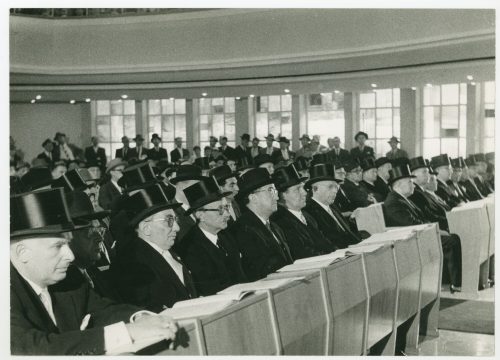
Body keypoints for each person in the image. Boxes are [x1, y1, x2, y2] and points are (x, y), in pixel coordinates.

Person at [10, 188, 179, 355]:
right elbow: (31, 349)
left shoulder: (69, 278)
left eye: (68, 244)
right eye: (58, 246)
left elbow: (103, 310)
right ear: (22, 252)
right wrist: (127, 332)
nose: (69, 256)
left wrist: (140, 317)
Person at [114, 183, 197, 312]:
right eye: (169, 220)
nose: (177, 228)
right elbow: (144, 309)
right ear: (146, 228)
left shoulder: (171, 252)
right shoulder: (131, 262)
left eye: (176, 220)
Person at [382, 164, 462, 293]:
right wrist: (436, 230)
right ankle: (455, 283)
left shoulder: (403, 199)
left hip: (419, 234)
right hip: (409, 240)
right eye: (409, 182)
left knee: (453, 237)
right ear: (398, 184)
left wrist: (435, 229)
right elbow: (411, 224)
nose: (413, 185)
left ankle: (451, 280)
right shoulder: (393, 202)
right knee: (452, 241)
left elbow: (421, 219)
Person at [180, 177, 247, 296]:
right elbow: (209, 289)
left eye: (226, 208)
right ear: (201, 215)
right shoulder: (189, 247)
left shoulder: (226, 236)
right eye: (220, 209)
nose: (227, 214)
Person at [234, 168, 293, 281]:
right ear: (253, 198)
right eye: (270, 190)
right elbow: (261, 270)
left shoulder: (275, 227)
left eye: (275, 190)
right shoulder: (243, 229)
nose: (276, 196)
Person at [271, 164, 335, 260]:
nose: (304, 193)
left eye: (303, 188)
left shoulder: (307, 216)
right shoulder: (281, 222)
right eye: (297, 189)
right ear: (283, 195)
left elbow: (325, 243)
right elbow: (302, 253)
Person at [304, 163, 361, 249]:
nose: (335, 191)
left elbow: (347, 232)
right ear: (315, 189)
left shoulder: (332, 206)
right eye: (330, 187)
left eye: (336, 187)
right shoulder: (309, 211)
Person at [408, 156, 450, 232]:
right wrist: (450, 220)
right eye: (424, 172)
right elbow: (429, 216)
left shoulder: (421, 191)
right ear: (413, 174)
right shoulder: (415, 193)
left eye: (427, 172)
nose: (428, 175)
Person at [170, 165, 204, 245]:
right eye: (197, 186)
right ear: (181, 186)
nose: (200, 190)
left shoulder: (200, 208)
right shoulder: (170, 212)